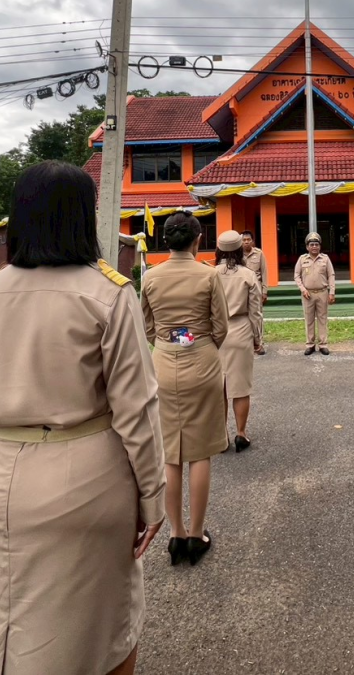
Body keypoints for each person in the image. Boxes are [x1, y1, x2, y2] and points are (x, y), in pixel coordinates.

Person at [0, 161, 165, 675]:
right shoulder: (108, 293)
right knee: (102, 630)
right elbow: (135, 408)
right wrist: (152, 498)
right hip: (84, 478)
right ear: (84, 217)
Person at [140, 211, 229, 566]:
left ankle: (175, 533)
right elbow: (220, 325)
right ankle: (197, 533)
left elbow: (146, 327)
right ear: (196, 240)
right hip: (202, 362)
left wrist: (171, 340)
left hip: (163, 364)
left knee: (170, 454)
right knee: (200, 451)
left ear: (166, 240)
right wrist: (196, 341)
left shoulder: (150, 277)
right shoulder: (208, 275)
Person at [215, 230, 264, 452]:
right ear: (238, 248)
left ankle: (221, 434)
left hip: (216, 334)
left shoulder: (210, 274)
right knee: (241, 387)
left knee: (220, 388)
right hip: (241, 329)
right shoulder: (247, 275)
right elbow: (255, 312)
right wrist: (257, 338)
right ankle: (241, 433)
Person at [294, 232, 335, 356]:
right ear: (307, 247)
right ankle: (310, 345)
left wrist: (332, 292)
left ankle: (323, 344)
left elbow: (331, 275)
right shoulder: (302, 259)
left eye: (316, 244)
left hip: (322, 293)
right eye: (311, 244)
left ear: (320, 246)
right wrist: (303, 289)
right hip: (308, 294)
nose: (314, 247)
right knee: (309, 320)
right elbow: (296, 275)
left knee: (322, 319)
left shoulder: (325, 259)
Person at [241, 230, 269, 355]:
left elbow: (264, 272)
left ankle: (259, 343)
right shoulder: (237, 254)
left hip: (256, 288)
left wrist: (264, 291)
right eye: (244, 240)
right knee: (243, 316)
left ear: (252, 241)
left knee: (257, 316)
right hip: (241, 290)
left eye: (248, 240)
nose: (246, 242)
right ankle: (247, 343)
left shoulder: (259, 253)